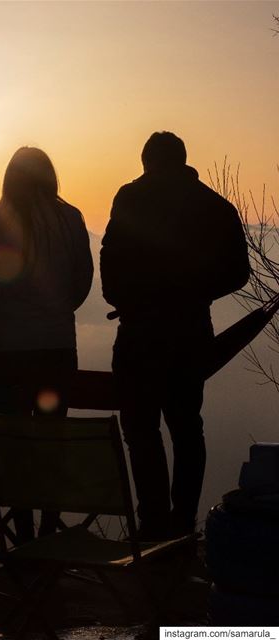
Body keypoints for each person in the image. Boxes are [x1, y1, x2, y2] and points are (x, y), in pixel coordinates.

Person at [100, 131, 250, 540]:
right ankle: (182, 526)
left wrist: (125, 297)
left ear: (146, 161)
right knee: (186, 428)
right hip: (190, 334)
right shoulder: (213, 206)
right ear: (183, 161)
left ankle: (152, 525)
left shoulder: (130, 198)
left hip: (138, 334)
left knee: (141, 429)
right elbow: (239, 271)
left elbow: (110, 260)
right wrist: (197, 292)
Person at [0, 146, 93, 542]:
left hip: (10, 354)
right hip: (57, 350)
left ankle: (22, 537)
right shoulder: (70, 219)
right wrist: (59, 313)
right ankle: (49, 531)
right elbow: (83, 279)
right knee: (51, 443)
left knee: (15, 447)